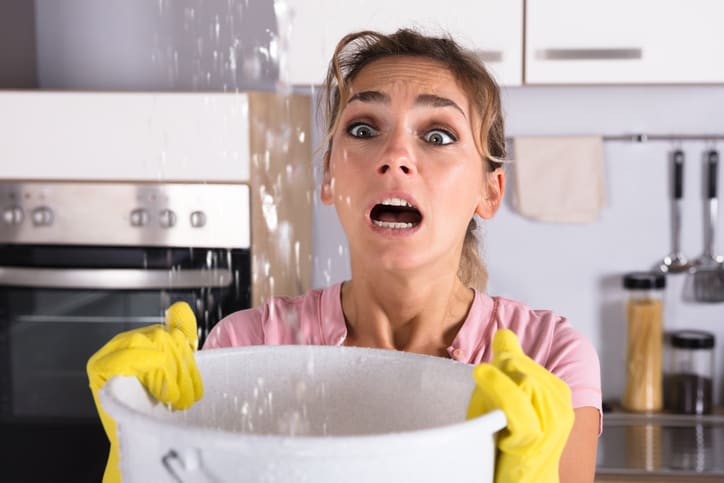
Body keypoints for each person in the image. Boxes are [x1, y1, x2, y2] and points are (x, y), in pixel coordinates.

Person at [88, 28, 602, 483]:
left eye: (438, 135)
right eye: (363, 129)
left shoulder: (546, 360)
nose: (396, 156)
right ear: (329, 178)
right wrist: (133, 441)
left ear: (489, 193)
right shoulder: (248, 346)